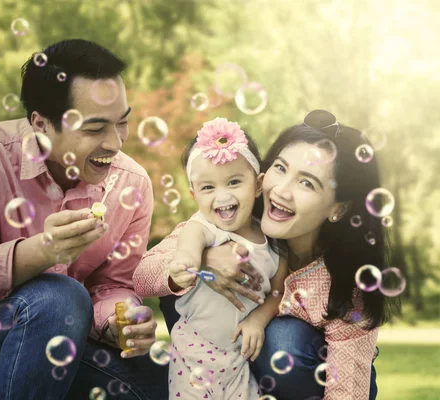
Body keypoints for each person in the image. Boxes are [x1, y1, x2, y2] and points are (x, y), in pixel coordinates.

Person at [0, 38, 168, 400]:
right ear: (40, 123)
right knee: (59, 297)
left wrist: (121, 320)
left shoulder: (132, 183)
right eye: (94, 128)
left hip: (60, 335)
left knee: (161, 382)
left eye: (123, 122)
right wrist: (42, 250)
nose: (115, 143)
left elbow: (110, 286)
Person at [135, 110, 399, 399]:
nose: (281, 191)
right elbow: (146, 273)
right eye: (281, 168)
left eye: (307, 183)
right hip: (210, 371)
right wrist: (203, 261)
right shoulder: (230, 223)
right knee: (182, 289)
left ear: (338, 208)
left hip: (304, 383)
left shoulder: (344, 285)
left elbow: (347, 392)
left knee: (283, 340)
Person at [134, 117, 287, 399]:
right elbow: (192, 236)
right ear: (194, 195)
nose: (222, 196)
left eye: (233, 182)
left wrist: (258, 321)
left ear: (257, 185)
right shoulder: (206, 227)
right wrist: (189, 261)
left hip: (239, 360)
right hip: (194, 355)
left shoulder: (274, 245)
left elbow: (278, 292)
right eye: (208, 187)